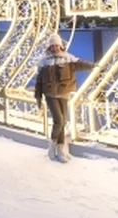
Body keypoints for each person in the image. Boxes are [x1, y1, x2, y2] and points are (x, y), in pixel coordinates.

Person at [34, 33, 95, 163]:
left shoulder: (68, 58)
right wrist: (38, 97)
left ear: (60, 46)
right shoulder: (44, 61)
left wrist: (93, 66)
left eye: (57, 45)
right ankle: (52, 146)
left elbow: (80, 64)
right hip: (50, 94)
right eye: (52, 46)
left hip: (64, 93)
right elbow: (39, 81)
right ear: (49, 47)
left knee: (63, 122)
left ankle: (61, 149)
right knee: (59, 121)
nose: (55, 48)